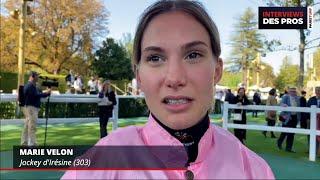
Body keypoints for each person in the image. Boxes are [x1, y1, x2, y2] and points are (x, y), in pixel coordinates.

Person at [62, 1, 274, 179]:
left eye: (193, 55)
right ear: (139, 76)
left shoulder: (255, 170)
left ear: (217, 70)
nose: (175, 78)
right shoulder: (99, 166)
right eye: (155, 58)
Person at [21, 71, 51, 146]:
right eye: (37, 76)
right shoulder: (30, 86)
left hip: (30, 107)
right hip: (31, 108)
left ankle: (24, 143)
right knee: (32, 126)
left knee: (27, 126)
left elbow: (38, 94)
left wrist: (46, 93)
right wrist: (47, 93)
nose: (38, 77)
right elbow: (37, 95)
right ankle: (32, 144)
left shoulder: (32, 86)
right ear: (32, 76)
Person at [277, 86, 300, 153]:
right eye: (292, 91)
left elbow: (299, 107)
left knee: (292, 133)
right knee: (284, 132)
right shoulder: (285, 97)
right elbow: (281, 104)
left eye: (294, 91)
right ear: (289, 91)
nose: (293, 92)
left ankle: (289, 148)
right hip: (286, 117)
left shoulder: (297, 98)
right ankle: (279, 143)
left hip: (294, 117)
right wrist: (283, 105)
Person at [307, 86, 320, 156]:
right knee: (310, 135)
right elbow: (307, 109)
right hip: (312, 120)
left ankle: (318, 151)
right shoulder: (311, 99)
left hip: (319, 121)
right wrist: (308, 119)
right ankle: (311, 149)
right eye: (317, 90)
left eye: (319, 90)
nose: (318, 92)